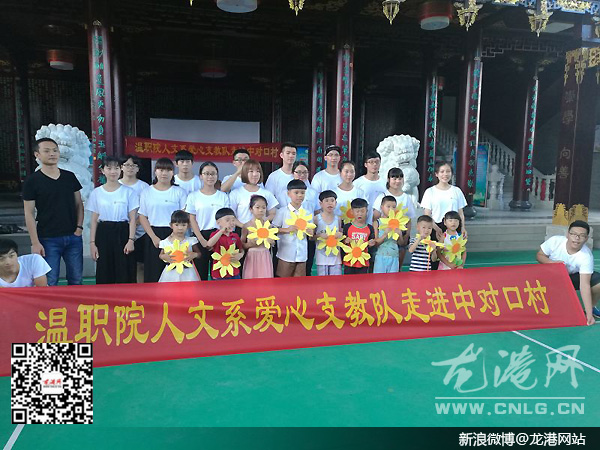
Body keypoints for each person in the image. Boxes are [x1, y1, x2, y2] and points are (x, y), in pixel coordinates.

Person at [22, 137, 84, 286]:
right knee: (50, 280)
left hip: (73, 237)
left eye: (55, 150)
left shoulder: (69, 177)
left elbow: (79, 204)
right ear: (37, 154)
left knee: (76, 279)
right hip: (47, 238)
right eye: (47, 151)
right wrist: (35, 242)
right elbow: (29, 213)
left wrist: (79, 228)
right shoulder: (32, 181)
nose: (52, 154)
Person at [537, 220, 600, 326]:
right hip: (550, 277)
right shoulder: (555, 241)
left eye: (582, 235)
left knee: (598, 282)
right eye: (574, 234)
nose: (577, 238)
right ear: (567, 234)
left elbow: (584, 285)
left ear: (586, 238)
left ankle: (591, 309)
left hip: (570, 279)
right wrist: (552, 264)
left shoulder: (586, 256)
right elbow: (539, 255)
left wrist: (589, 315)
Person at [87, 156, 138, 284]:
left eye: (116, 168)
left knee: (124, 270)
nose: (113, 172)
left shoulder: (129, 192)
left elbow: (132, 219)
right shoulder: (96, 193)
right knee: (104, 270)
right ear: (103, 170)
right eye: (109, 168)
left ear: (121, 169)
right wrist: (92, 243)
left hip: (122, 232)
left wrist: (131, 240)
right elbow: (94, 220)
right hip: (103, 232)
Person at [138, 158, 187, 282]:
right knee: (153, 272)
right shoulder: (147, 192)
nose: (164, 173)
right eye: (161, 169)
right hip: (154, 235)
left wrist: (175, 236)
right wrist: (153, 237)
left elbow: (184, 216)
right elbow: (142, 216)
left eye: (168, 170)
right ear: (155, 171)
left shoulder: (179, 192)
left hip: (175, 234)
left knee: (175, 271)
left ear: (173, 172)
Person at [187, 162, 230, 281]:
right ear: (201, 176)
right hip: (200, 236)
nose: (210, 177)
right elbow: (192, 218)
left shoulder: (223, 196)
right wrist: (201, 239)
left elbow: (227, 218)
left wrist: (217, 238)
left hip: (219, 236)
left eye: (213, 174)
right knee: (200, 273)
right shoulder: (193, 196)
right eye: (206, 174)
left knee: (220, 274)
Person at [373, 167, 417, 268]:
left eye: (400, 178)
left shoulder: (406, 197)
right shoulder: (382, 195)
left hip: (400, 233)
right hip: (384, 234)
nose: (397, 181)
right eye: (394, 178)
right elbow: (375, 216)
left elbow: (409, 219)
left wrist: (406, 235)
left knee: (397, 266)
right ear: (388, 179)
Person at [273, 179, 314, 277]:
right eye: (296, 192)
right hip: (286, 254)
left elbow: (312, 231)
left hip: (302, 254)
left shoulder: (307, 213)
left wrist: (310, 232)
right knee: (284, 281)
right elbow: (273, 229)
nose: (300, 195)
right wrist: (286, 230)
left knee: (299, 282)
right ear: (288, 194)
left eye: (302, 193)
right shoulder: (282, 212)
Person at [119, 155, 150, 283]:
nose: (130, 168)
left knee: (140, 265)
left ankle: (141, 291)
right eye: (127, 165)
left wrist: (136, 222)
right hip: (121, 230)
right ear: (121, 167)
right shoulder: (116, 185)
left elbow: (148, 209)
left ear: (138, 169)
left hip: (141, 232)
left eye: (133, 165)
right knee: (123, 265)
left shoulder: (144, 187)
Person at [420, 161, 468, 240]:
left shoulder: (457, 191)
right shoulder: (430, 192)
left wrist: (463, 227)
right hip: (436, 227)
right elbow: (427, 215)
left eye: (448, 171)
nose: (445, 174)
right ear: (436, 174)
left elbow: (461, 214)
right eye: (442, 172)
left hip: (454, 227)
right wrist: (437, 229)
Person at [229, 159, 278, 224]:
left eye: (258, 171)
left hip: (261, 229)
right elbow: (231, 215)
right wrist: (244, 226)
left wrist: (264, 221)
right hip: (241, 228)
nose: (255, 174)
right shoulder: (235, 193)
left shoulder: (266, 193)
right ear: (245, 173)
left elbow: (273, 213)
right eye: (251, 171)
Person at [291, 160, 319, 275]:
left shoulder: (313, 192)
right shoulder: (288, 191)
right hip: (292, 232)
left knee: (308, 262)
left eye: (305, 172)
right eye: (298, 172)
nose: (301, 175)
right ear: (293, 173)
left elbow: (317, 211)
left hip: (308, 231)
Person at [158, 210, 200, 283]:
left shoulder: (191, 241)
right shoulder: (165, 242)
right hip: (170, 274)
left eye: (183, 225)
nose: (180, 228)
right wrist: (163, 256)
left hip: (188, 273)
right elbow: (161, 254)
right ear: (171, 225)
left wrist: (195, 255)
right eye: (177, 225)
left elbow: (199, 254)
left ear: (188, 226)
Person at [241, 195, 274, 279]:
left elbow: (272, 242)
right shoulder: (247, 226)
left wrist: (271, 241)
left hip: (265, 256)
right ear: (251, 209)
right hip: (252, 257)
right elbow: (241, 245)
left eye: (263, 207)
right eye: (257, 207)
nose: (261, 210)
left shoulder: (268, 225)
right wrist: (250, 244)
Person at [207, 208, 244, 280]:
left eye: (233, 220)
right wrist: (221, 231)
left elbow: (241, 249)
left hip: (234, 271)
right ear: (218, 222)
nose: (231, 223)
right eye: (227, 220)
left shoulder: (235, 236)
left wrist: (241, 254)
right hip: (219, 273)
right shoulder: (215, 235)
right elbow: (209, 244)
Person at [342, 198, 376, 275]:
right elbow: (342, 243)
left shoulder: (370, 228)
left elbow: (371, 244)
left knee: (362, 281)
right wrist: (345, 241)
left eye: (362, 211)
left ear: (367, 211)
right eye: (357, 211)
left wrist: (372, 243)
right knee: (348, 281)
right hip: (349, 262)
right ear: (352, 211)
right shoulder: (347, 227)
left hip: (363, 262)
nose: (360, 214)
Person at [313, 190, 343, 276]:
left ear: (336, 203)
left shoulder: (338, 219)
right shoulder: (316, 219)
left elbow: (342, 234)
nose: (330, 203)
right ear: (320, 204)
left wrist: (340, 235)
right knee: (323, 281)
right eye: (326, 201)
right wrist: (319, 235)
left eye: (332, 201)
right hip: (321, 257)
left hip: (336, 257)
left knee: (336, 281)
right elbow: (311, 237)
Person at [354, 151, 386, 225]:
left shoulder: (385, 183)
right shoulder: (357, 183)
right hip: (362, 224)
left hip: (381, 225)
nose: (374, 164)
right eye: (371, 162)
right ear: (365, 164)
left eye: (377, 162)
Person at [373, 196, 402, 274]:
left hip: (394, 256)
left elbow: (401, 243)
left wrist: (400, 235)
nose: (391, 209)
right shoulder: (377, 222)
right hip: (381, 256)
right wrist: (385, 234)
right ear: (381, 207)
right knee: (379, 279)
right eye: (388, 206)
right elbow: (376, 243)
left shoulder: (398, 222)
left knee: (393, 280)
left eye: (393, 207)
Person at [265, 142, 296, 208]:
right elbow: (268, 197)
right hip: (279, 212)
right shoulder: (274, 176)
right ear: (281, 155)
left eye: (293, 153)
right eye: (288, 153)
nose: (291, 156)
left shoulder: (299, 175)